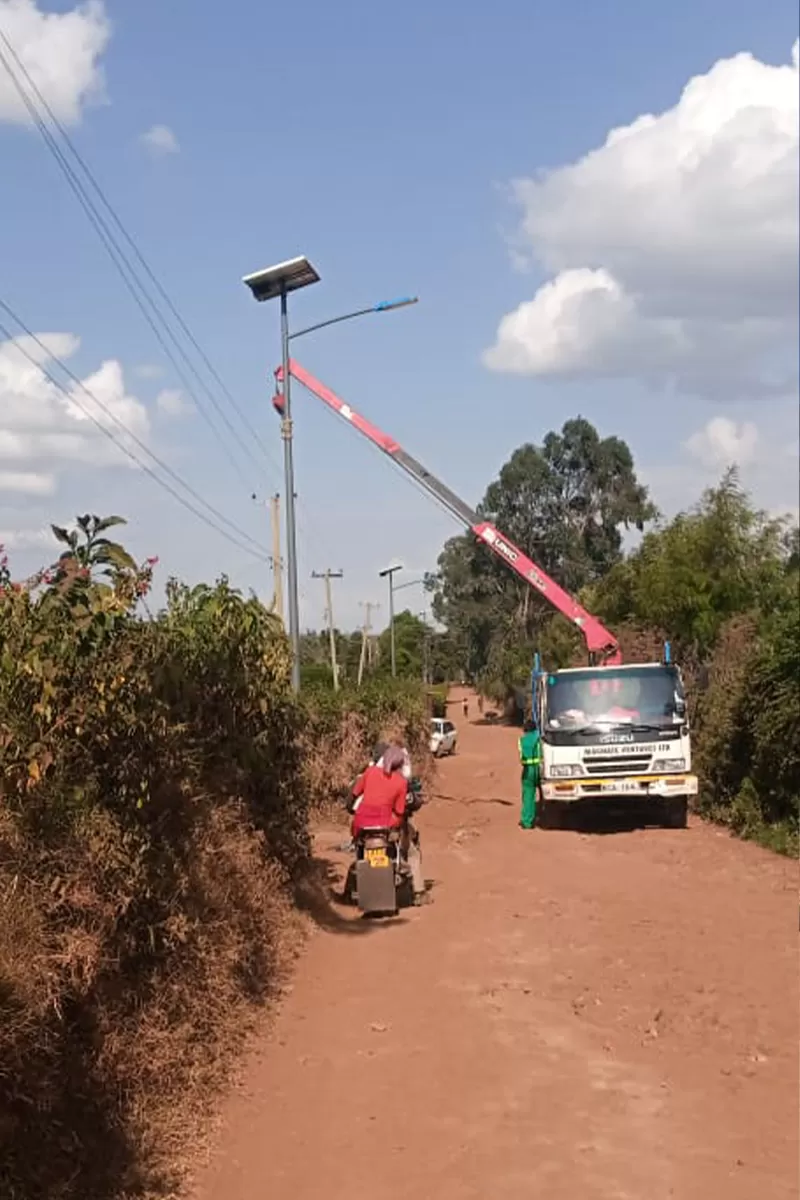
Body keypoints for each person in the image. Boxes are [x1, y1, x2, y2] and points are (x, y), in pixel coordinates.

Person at [351, 742, 426, 904]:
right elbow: (399, 812)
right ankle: (419, 891)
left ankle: (351, 889)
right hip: (385, 825)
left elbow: (353, 795)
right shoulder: (401, 783)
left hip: (362, 823)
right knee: (412, 851)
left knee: (356, 847)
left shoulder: (369, 773)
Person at [518, 718, 542, 830]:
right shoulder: (539, 738)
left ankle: (527, 822)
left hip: (528, 771)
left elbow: (521, 759)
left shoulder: (521, 741)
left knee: (528, 796)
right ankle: (544, 816)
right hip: (541, 769)